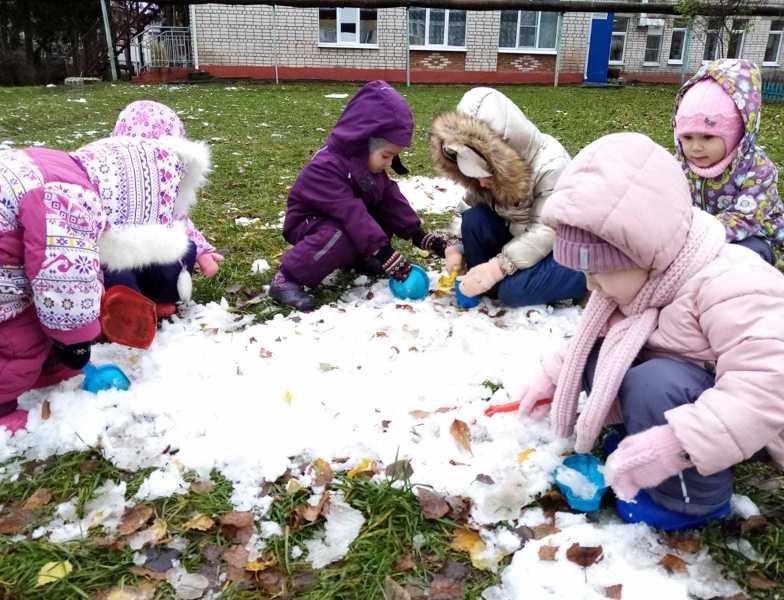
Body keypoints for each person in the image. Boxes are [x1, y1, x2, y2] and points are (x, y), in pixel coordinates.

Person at [515, 132, 784, 530]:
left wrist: (675, 445)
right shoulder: (646, 278)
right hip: (698, 405)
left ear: (645, 250)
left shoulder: (731, 283)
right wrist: (553, 377)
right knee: (606, 351)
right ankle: (637, 435)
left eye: (599, 272)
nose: (590, 286)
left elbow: (768, 383)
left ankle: (692, 500)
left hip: (749, 424)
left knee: (657, 382)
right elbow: (593, 337)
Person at [0, 134, 211, 436]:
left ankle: (47, 366)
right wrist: (75, 339)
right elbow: (64, 282)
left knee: (38, 311)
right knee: (14, 339)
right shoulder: (73, 199)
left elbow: (61, 263)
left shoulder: (64, 172)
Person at [270, 80, 450, 311]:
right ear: (363, 141)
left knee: (376, 216)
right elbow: (351, 214)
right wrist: (384, 253)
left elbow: (390, 200)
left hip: (343, 221)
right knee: (341, 234)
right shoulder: (325, 167)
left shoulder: (369, 167)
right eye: (386, 156)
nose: (388, 164)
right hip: (309, 222)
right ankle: (288, 278)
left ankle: (360, 259)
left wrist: (420, 236)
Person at [429, 87, 585, 306]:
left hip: (560, 249)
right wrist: (454, 247)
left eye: (485, 175)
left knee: (513, 291)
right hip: (519, 241)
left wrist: (498, 267)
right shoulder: (483, 173)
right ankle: (490, 283)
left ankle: (581, 278)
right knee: (474, 219)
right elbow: (466, 207)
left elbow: (547, 231)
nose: (481, 183)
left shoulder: (551, 164)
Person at [109, 100, 223, 316]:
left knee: (182, 249)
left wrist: (202, 251)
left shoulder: (167, 183)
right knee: (113, 268)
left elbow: (180, 218)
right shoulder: (108, 180)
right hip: (118, 248)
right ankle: (124, 307)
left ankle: (162, 298)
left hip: (154, 251)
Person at [674, 59, 783, 266]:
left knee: (739, 259)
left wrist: (696, 237)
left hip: (753, 236)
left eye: (708, 137)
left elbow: (745, 218)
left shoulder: (757, 170)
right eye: (687, 138)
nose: (696, 147)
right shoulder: (681, 166)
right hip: (696, 236)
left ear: (736, 135)